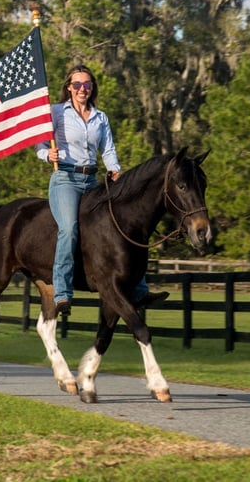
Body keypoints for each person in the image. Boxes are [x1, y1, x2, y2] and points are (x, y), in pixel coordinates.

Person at [36, 65, 168, 316]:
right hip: (65, 178)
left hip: (92, 180)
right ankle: (62, 292)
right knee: (69, 229)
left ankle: (140, 290)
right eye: (77, 85)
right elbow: (39, 144)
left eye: (87, 85)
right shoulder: (55, 112)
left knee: (121, 223)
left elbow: (108, 149)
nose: (82, 89)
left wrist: (115, 168)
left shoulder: (100, 117)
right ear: (69, 88)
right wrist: (46, 154)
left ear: (92, 88)